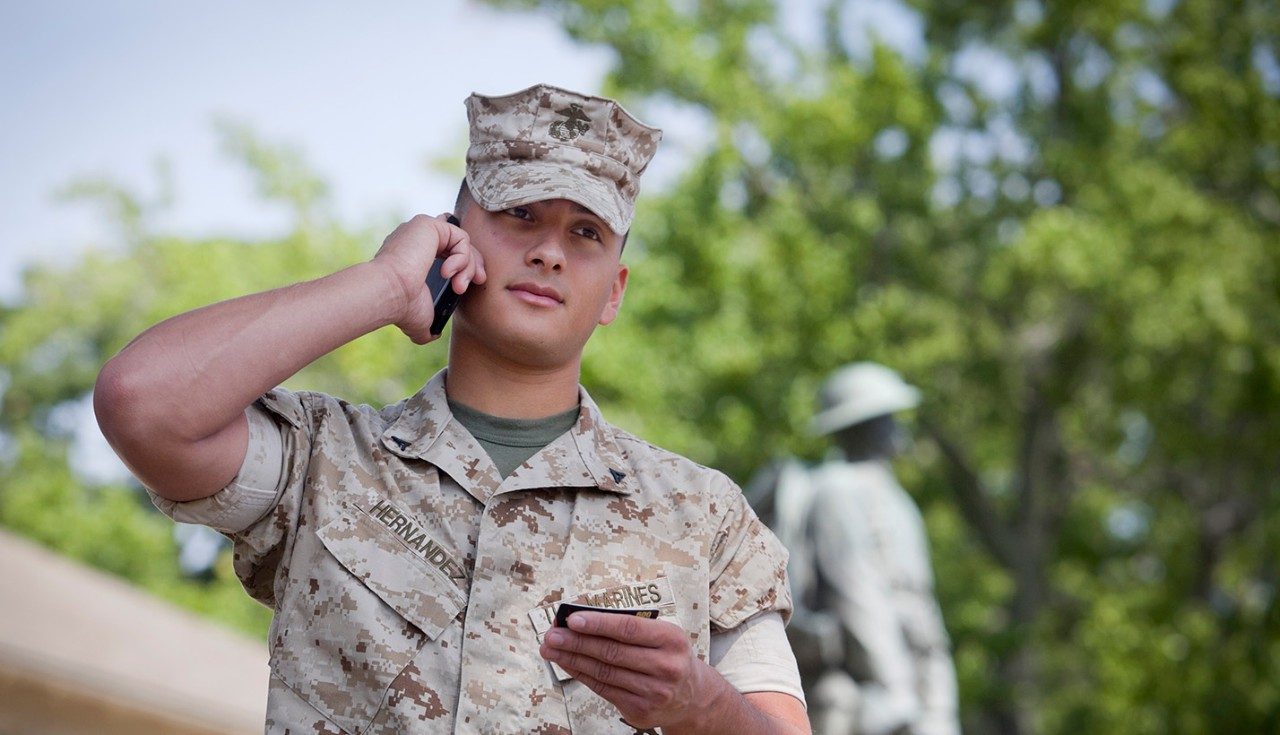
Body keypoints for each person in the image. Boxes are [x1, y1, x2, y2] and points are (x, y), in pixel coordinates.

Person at [94, 84, 809, 734]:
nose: (550, 252)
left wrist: (703, 706)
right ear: (451, 235)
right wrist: (383, 285)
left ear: (615, 290)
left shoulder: (701, 515)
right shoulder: (324, 461)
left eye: (585, 232)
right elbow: (142, 402)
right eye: (520, 213)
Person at [756, 364, 959, 735]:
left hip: (914, 673)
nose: (897, 426)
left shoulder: (895, 498)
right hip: (869, 685)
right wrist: (893, 689)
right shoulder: (839, 491)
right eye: (886, 418)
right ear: (863, 427)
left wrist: (937, 702)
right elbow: (856, 593)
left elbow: (921, 606)